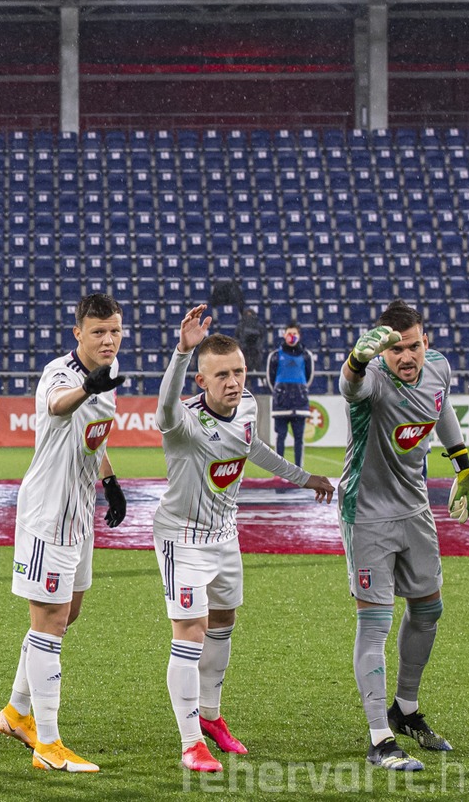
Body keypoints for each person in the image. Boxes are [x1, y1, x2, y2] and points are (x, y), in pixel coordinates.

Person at [153, 305, 336, 773]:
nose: (233, 382)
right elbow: (163, 409)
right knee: (190, 632)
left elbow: (253, 447)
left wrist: (304, 478)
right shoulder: (184, 421)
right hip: (183, 537)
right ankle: (190, 742)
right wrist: (182, 352)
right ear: (201, 381)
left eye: (239, 372)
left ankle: (211, 716)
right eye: (222, 375)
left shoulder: (249, 405)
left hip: (225, 533)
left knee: (224, 619)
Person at [0, 293, 128, 774]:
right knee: (48, 621)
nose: (108, 340)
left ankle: (15, 713)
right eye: (98, 332)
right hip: (48, 514)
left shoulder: (108, 374)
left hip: (80, 512)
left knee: (67, 614)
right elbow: (57, 406)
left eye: (115, 331)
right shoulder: (61, 373)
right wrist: (88, 386)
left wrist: (109, 480)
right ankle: (48, 745)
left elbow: (94, 437)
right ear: (78, 334)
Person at [339, 301, 469, 771]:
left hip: (414, 508)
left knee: (429, 608)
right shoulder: (373, 377)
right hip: (367, 513)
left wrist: (462, 463)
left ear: (425, 341)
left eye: (413, 345)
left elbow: (442, 404)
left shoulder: (439, 367)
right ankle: (380, 739)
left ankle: (406, 709)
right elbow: (349, 386)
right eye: (395, 349)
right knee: (375, 623)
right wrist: (357, 360)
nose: (407, 356)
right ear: (382, 351)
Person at [267, 324, 315, 467]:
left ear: (298, 335)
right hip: (281, 404)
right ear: (284, 335)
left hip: (300, 403)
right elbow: (271, 378)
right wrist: (281, 392)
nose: (291, 336)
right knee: (280, 436)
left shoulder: (306, 355)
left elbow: (309, 377)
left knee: (299, 438)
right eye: (289, 333)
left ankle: (298, 470)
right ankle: (279, 469)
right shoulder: (275, 355)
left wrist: (298, 390)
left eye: (294, 333)